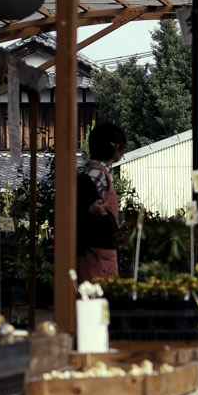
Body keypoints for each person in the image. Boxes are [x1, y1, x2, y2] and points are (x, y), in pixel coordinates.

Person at [77, 121, 126, 282]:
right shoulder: (97, 172)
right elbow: (84, 201)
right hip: (97, 249)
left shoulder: (99, 170)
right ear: (117, 148)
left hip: (99, 248)